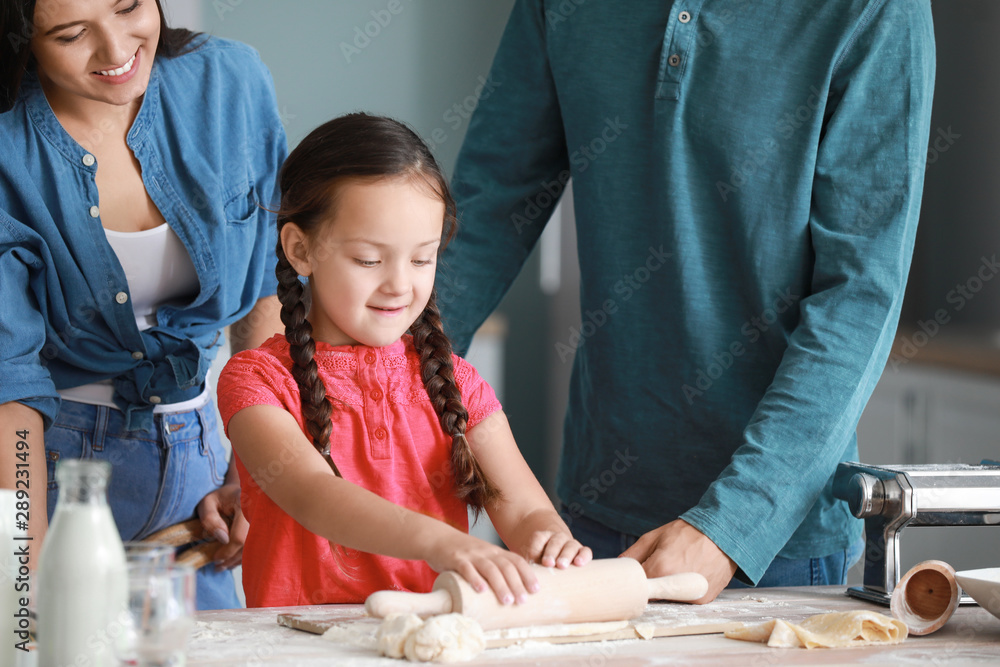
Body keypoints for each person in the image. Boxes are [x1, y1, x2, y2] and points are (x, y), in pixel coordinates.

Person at [436, 0, 936, 603]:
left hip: (768, 543)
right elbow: (488, 205)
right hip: (592, 508)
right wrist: (372, 382)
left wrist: (730, 526)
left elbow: (858, 298)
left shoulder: (878, 10)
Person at [216, 113, 591, 608]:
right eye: (369, 260)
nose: (399, 284)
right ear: (300, 249)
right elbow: (312, 494)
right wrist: (441, 542)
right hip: (306, 648)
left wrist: (548, 539)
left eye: (421, 259)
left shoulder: (456, 383)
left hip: (435, 643)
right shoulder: (258, 382)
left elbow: (521, 509)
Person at [0, 0, 286, 609]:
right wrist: (25, 558)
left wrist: (256, 463)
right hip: (57, 466)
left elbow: (267, 282)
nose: (115, 49)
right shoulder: (7, 145)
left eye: (128, 6)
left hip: (206, 455)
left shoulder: (229, 81)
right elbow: (9, 382)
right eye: (71, 34)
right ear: (22, 40)